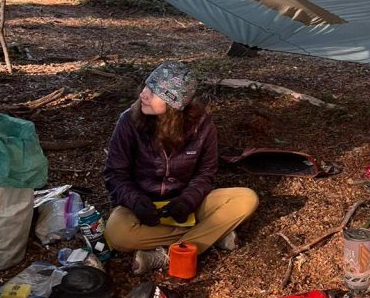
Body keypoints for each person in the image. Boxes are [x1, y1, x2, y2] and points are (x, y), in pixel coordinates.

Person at [104, 60, 259, 267]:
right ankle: (211, 235)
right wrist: (136, 201)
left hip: (186, 206)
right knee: (117, 233)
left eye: (153, 91)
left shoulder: (202, 126)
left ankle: (167, 255)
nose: (143, 94)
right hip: (142, 208)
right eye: (146, 86)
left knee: (246, 198)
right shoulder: (128, 122)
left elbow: (206, 173)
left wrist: (187, 200)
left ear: (173, 104)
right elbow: (115, 174)